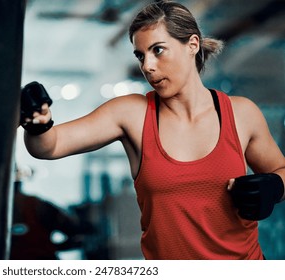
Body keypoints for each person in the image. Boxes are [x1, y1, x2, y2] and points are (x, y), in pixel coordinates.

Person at [19, 1, 285, 259]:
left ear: (192, 45)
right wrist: (38, 124)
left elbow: (281, 172)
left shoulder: (241, 113)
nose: (147, 66)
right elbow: (50, 146)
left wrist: (274, 185)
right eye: (140, 55)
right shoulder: (131, 114)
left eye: (158, 50)